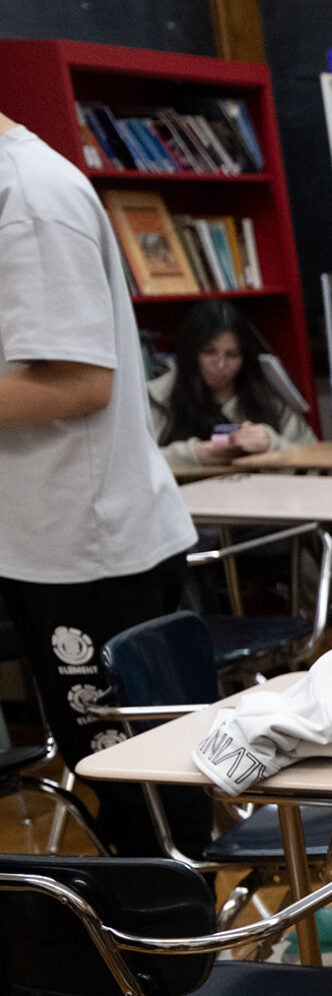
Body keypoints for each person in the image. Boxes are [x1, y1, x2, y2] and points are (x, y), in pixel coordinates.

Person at [0, 110, 200, 857]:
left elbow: (80, 382)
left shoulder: (31, 195)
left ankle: (181, 966)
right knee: (109, 781)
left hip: (90, 550)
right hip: (40, 543)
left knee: (142, 799)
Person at [149, 299, 313, 471]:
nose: (220, 365)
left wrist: (272, 446)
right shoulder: (156, 398)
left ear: (245, 357)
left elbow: (314, 463)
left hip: (257, 495)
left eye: (232, 355)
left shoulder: (268, 400)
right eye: (209, 352)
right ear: (190, 352)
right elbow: (130, 466)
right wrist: (192, 455)